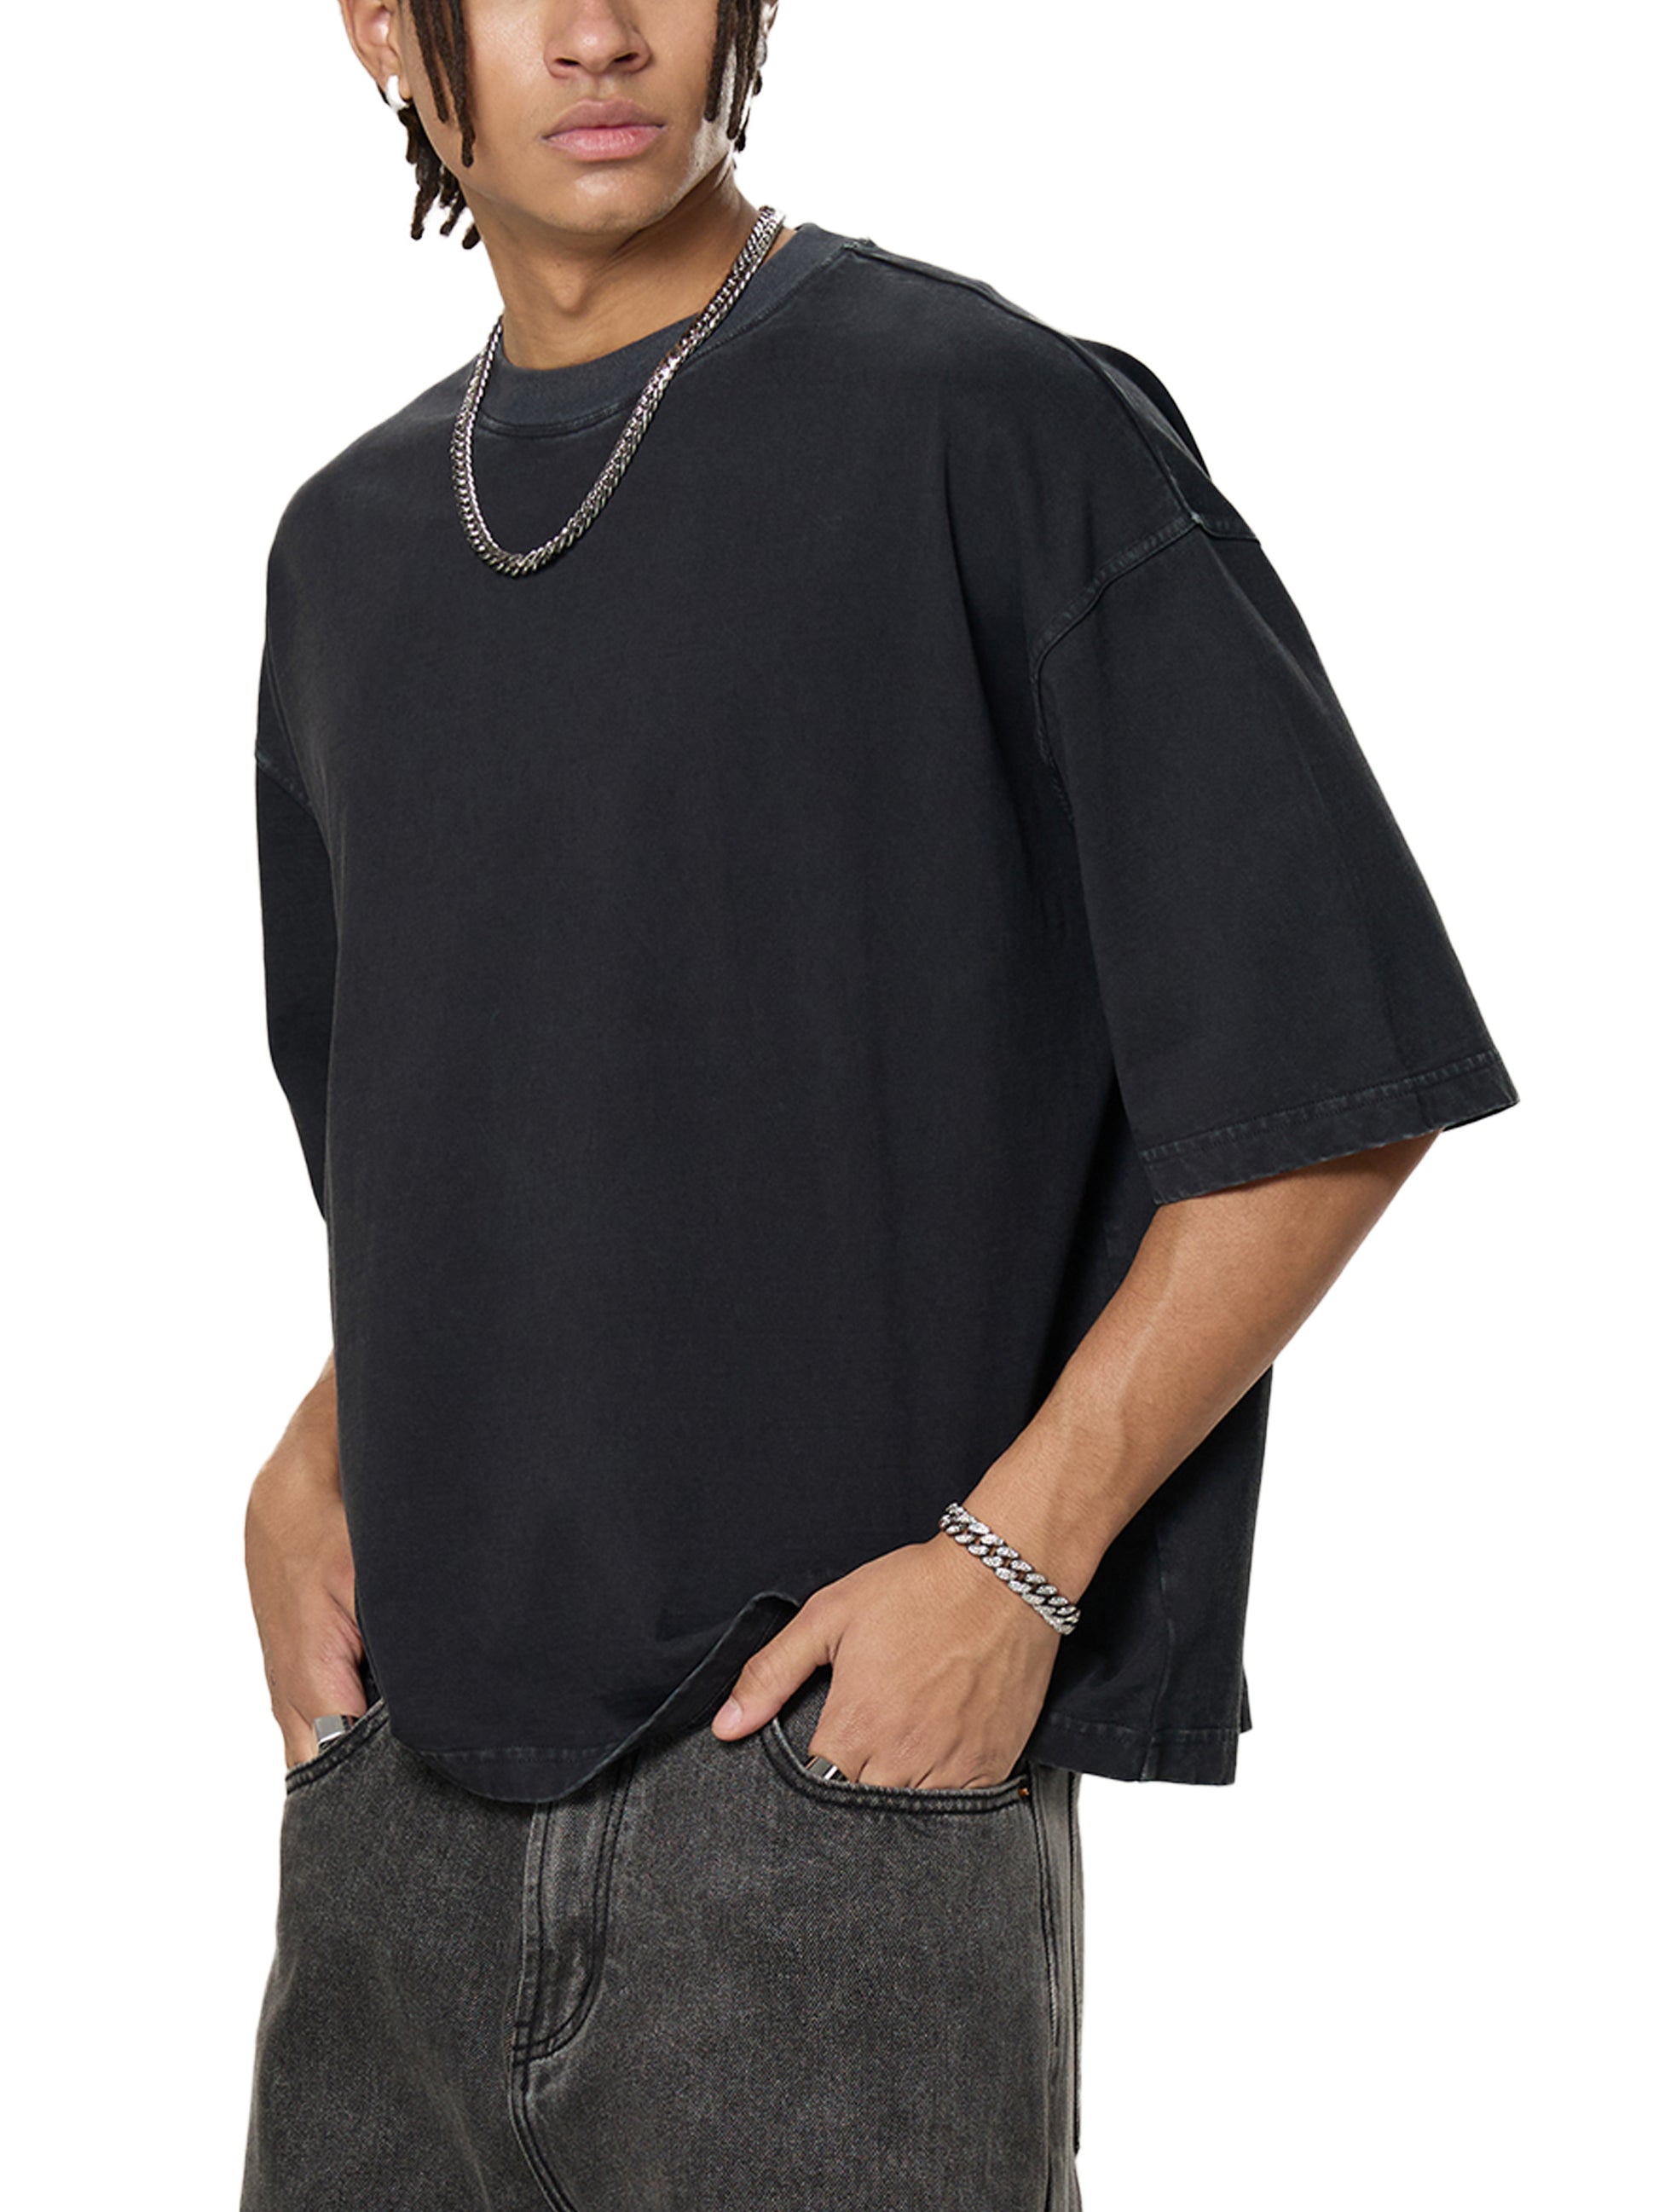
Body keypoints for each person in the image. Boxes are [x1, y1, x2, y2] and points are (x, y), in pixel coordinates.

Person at [239, 3, 1519, 2206]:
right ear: (385, 28)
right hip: (401, 1804)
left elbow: (1326, 1072)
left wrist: (1011, 1567)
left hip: (827, 1797)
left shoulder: (984, 420)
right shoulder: (345, 546)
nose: (599, 32)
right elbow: (493, 1117)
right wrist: (327, 1440)